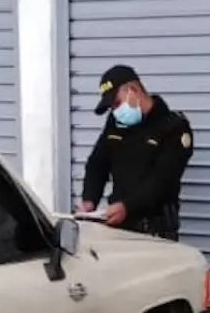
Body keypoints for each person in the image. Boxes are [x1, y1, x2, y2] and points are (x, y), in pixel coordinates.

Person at [78, 64, 194, 240]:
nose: (115, 111)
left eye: (117, 104)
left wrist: (127, 207)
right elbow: (97, 164)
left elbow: (163, 181)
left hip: (155, 232)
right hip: (118, 228)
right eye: (112, 108)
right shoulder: (116, 124)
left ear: (134, 91)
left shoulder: (174, 128)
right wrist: (89, 200)